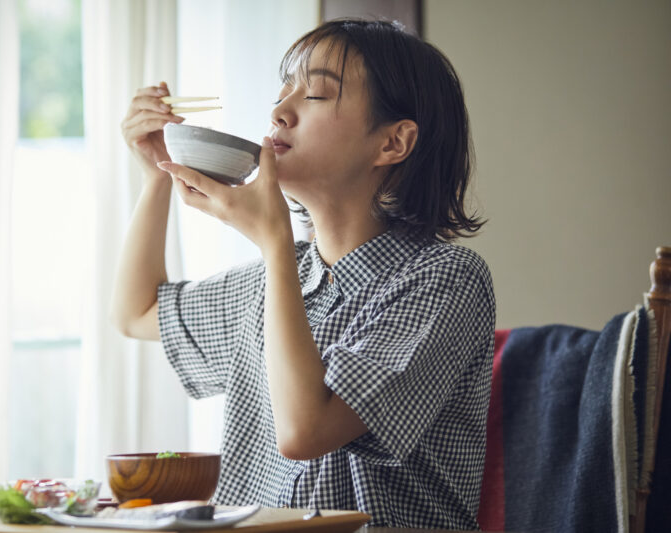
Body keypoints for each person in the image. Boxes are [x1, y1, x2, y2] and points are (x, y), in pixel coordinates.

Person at [111, 18, 495, 530]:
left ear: (392, 143)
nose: (278, 112)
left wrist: (272, 245)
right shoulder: (282, 272)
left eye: (314, 94)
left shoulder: (446, 278)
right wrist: (158, 172)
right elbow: (137, 312)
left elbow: (305, 431)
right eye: (281, 91)